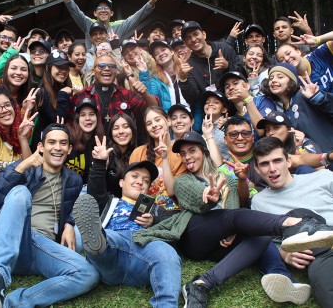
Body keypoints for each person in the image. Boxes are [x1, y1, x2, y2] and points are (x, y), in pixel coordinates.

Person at [133, 131, 333, 308]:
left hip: (223, 242)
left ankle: (205, 284)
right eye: (183, 154)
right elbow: (199, 204)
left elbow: (233, 208)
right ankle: (293, 223)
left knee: (259, 235)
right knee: (237, 217)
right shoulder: (183, 181)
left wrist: (231, 230)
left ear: (203, 151)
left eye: (191, 151)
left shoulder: (227, 179)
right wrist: (210, 198)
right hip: (195, 234)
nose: (187, 157)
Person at [0, 123, 99, 308]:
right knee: (20, 193)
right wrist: (23, 165)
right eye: (51, 142)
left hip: (40, 248)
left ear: (69, 149)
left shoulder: (73, 180)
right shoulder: (25, 168)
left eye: (62, 143)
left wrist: (69, 223)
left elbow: (77, 204)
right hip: (10, 238)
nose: (57, 147)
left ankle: (14, 303)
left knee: (88, 273)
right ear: (41, 147)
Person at [73, 143, 182, 307]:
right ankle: (97, 243)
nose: (140, 182)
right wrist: (100, 163)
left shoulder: (156, 209)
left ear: (148, 189)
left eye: (146, 181)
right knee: (105, 237)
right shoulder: (109, 202)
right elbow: (95, 191)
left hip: (145, 251)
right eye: (135, 177)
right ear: (121, 182)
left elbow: (173, 229)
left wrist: (154, 222)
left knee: (167, 252)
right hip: (113, 250)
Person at [251, 136, 333, 307]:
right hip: (320, 254)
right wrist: (284, 253)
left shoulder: (323, 177)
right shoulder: (259, 202)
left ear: (288, 161)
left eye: (277, 160)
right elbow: (267, 242)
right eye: (265, 164)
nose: (272, 169)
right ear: (257, 169)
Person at [57, 0, 162, 50]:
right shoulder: (88, 24)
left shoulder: (118, 26)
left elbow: (137, 17)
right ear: (94, 13)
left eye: (106, 8)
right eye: (99, 8)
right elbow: (75, 11)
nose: (103, 10)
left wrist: (151, 2)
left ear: (112, 13)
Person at [69, 55, 158, 139]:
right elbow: (71, 126)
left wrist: (145, 94)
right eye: (101, 66)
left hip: (121, 150)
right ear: (93, 71)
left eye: (111, 66)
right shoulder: (81, 96)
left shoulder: (126, 94)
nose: (107, 68)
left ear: (116, 71)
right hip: (91, 150)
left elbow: (153, 108)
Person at [261, 63, 333, 152]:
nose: (273, 80)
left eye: (280, 77)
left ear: (291, 81)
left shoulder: (303, 95)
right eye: (271, 78)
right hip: (315, 160)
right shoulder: (284, 110)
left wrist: (317, 97)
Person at [130, 106, 186, 213]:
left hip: (174, 212)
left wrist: (165, 157)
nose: (154, 125)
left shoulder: (181, 153)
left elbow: (175, 191)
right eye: (149, 123)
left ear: (168, 121)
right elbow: (132, 190)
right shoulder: (139, 153)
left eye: (157, 120)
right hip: (145, 212)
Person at [181, 21, 243, 107]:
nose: (193, 39)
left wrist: (228, 66)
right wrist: (183, 79)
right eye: (188, 38)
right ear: (186, 44)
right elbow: (193, 99)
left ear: (204, 34)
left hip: (237, 104)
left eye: (195, 34)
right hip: (213, 112)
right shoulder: (189, 65)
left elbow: (243, 74)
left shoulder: (224, 48)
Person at [31, 50, 74, 150]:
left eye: (66, 68)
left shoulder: (65, 89)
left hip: (60, 146)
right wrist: (62, 95)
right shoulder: (41, 92)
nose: (63, 71)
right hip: (42, 149)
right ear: (48, 68)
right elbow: (58, 122)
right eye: (59, 67)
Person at [66, 97, 104, 185]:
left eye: (91, 114)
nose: (88, 118)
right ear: (77, 119)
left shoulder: (102, 143)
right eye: (83, 115)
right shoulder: (68, 138)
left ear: (97, 118)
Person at [106, 113, 138, 198]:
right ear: (111, 133)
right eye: (116, 128)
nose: (121, 131)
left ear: (132, 130)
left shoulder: (139, 154)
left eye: (125, 126)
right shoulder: (106, 155)